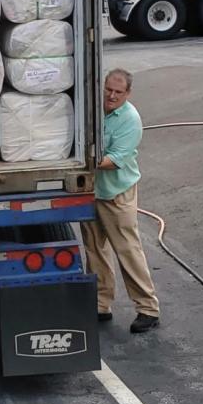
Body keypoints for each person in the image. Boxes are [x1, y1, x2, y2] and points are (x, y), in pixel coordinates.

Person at [82, 68, 161, 334]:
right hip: (91, 191)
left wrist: (81, 160)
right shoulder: (92, 107)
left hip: (117, 193)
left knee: (127, 249)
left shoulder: (130, 119)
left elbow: (114, 160)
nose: (111, 96)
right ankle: (100, 304)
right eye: (108, 90)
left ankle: (148, 309)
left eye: (118, 92)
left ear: (128, 93)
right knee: (94, 250)